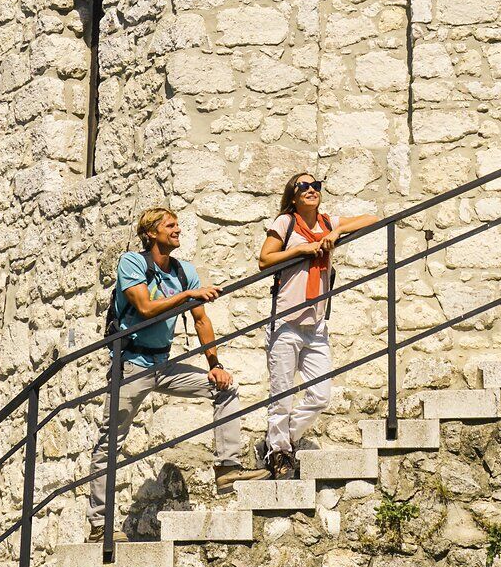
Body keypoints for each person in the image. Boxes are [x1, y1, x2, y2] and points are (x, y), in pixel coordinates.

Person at [88, 206, 255, 531]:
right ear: (150, 233)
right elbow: (145, 307)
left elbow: (201, 319)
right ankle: (98, 525)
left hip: (163, 364)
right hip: (132, 366)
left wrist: (215, 365)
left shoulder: (183, 271)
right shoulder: (133, 263)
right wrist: (188, 294)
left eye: (178, 224)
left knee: (226, 388)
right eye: (170, 225)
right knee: (111, 441)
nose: (177, 230)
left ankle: (227, 467)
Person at [256, 173, 378, 480]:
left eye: (316, 186)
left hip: (316, 323)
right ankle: (280, 453)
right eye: (304, 186)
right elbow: (264, 260)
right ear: (293, 196)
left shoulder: (326, 222)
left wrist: (337, 232)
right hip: (286, 319)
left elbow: (371, 218)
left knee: (320, 395)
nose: (312, 190)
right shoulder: (286, 223)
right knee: (282, 395)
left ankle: (277, 442)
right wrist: (299, 250)